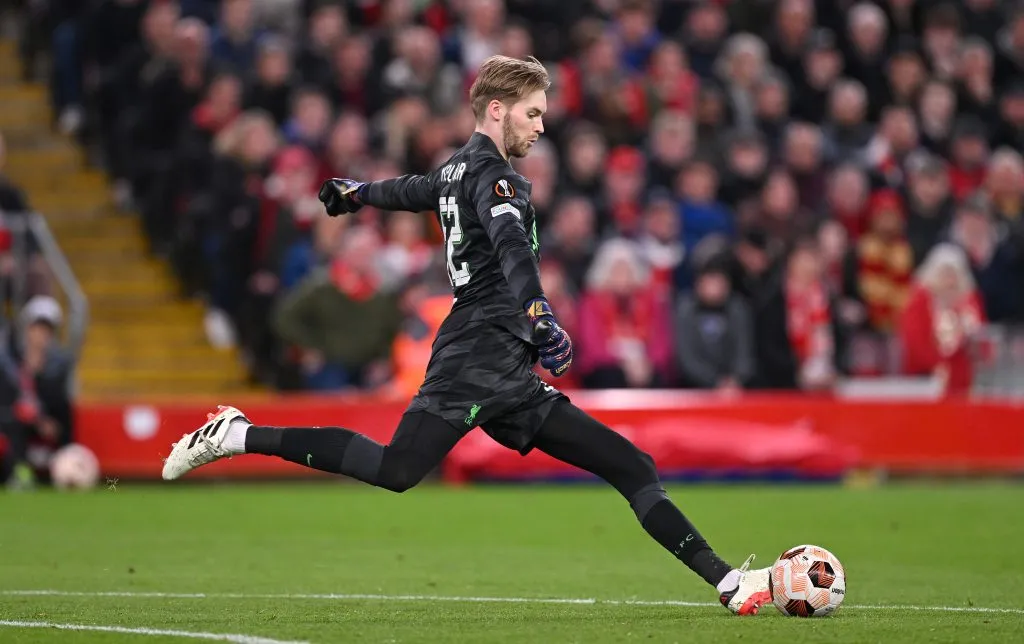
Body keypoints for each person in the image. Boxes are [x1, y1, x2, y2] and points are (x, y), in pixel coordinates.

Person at [160, 55, 770, 615]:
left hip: (507, 364)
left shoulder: (457, 170)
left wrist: (357, 192)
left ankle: (727, 582)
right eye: (533, 114)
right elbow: (510, 248)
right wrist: (540, 313)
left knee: (631, 464)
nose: (539, 127)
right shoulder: (496, 179)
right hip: (479, 353)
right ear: (497, 111)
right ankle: (237, 432)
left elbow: (413, 190)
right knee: (398, 469)